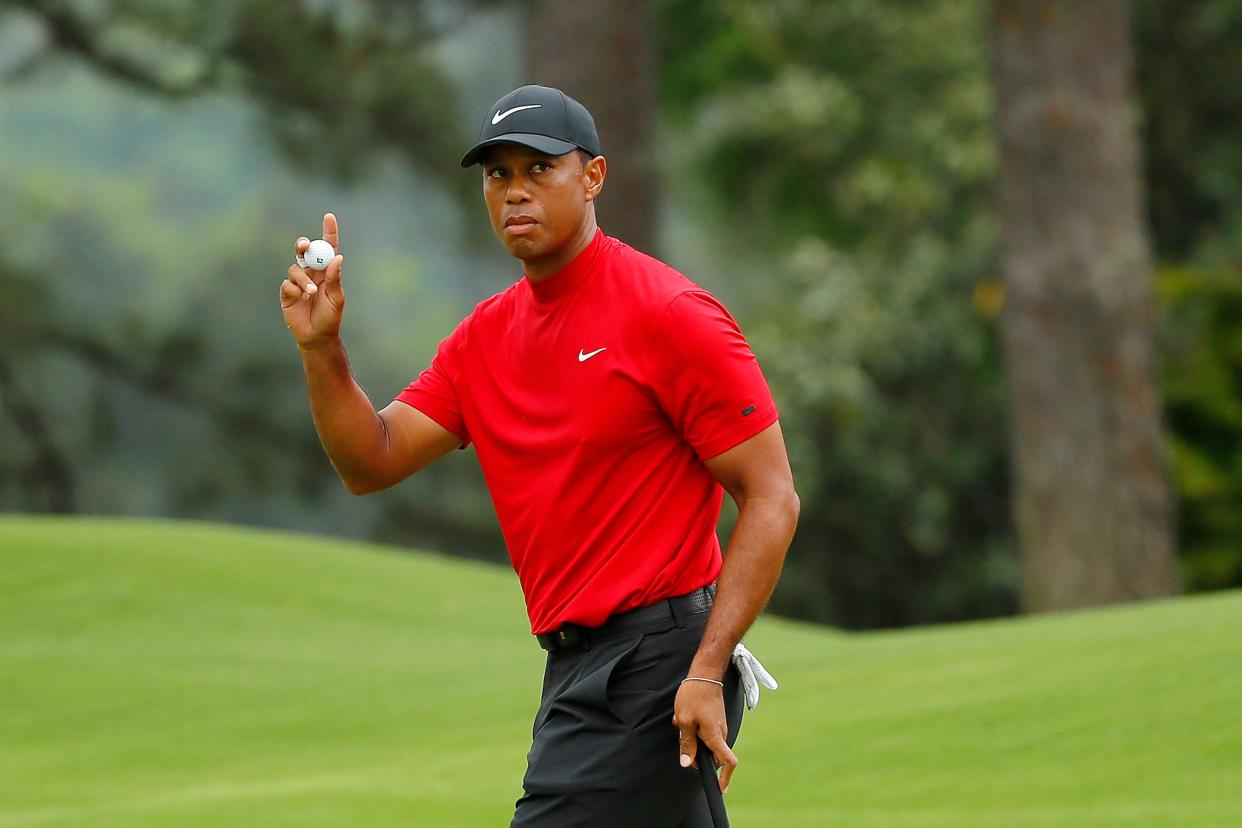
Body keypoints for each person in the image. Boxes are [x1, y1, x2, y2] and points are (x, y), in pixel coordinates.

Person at [280, 84, 799, 827]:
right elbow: (374, 460)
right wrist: (323, 349)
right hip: (575, 668)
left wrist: (708, 669)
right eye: (498, 175)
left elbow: (773, 496)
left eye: (538, 170)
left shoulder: (669, 314)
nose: (514, 193)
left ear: (592, 178)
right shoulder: (484, 340)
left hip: (658, 665)